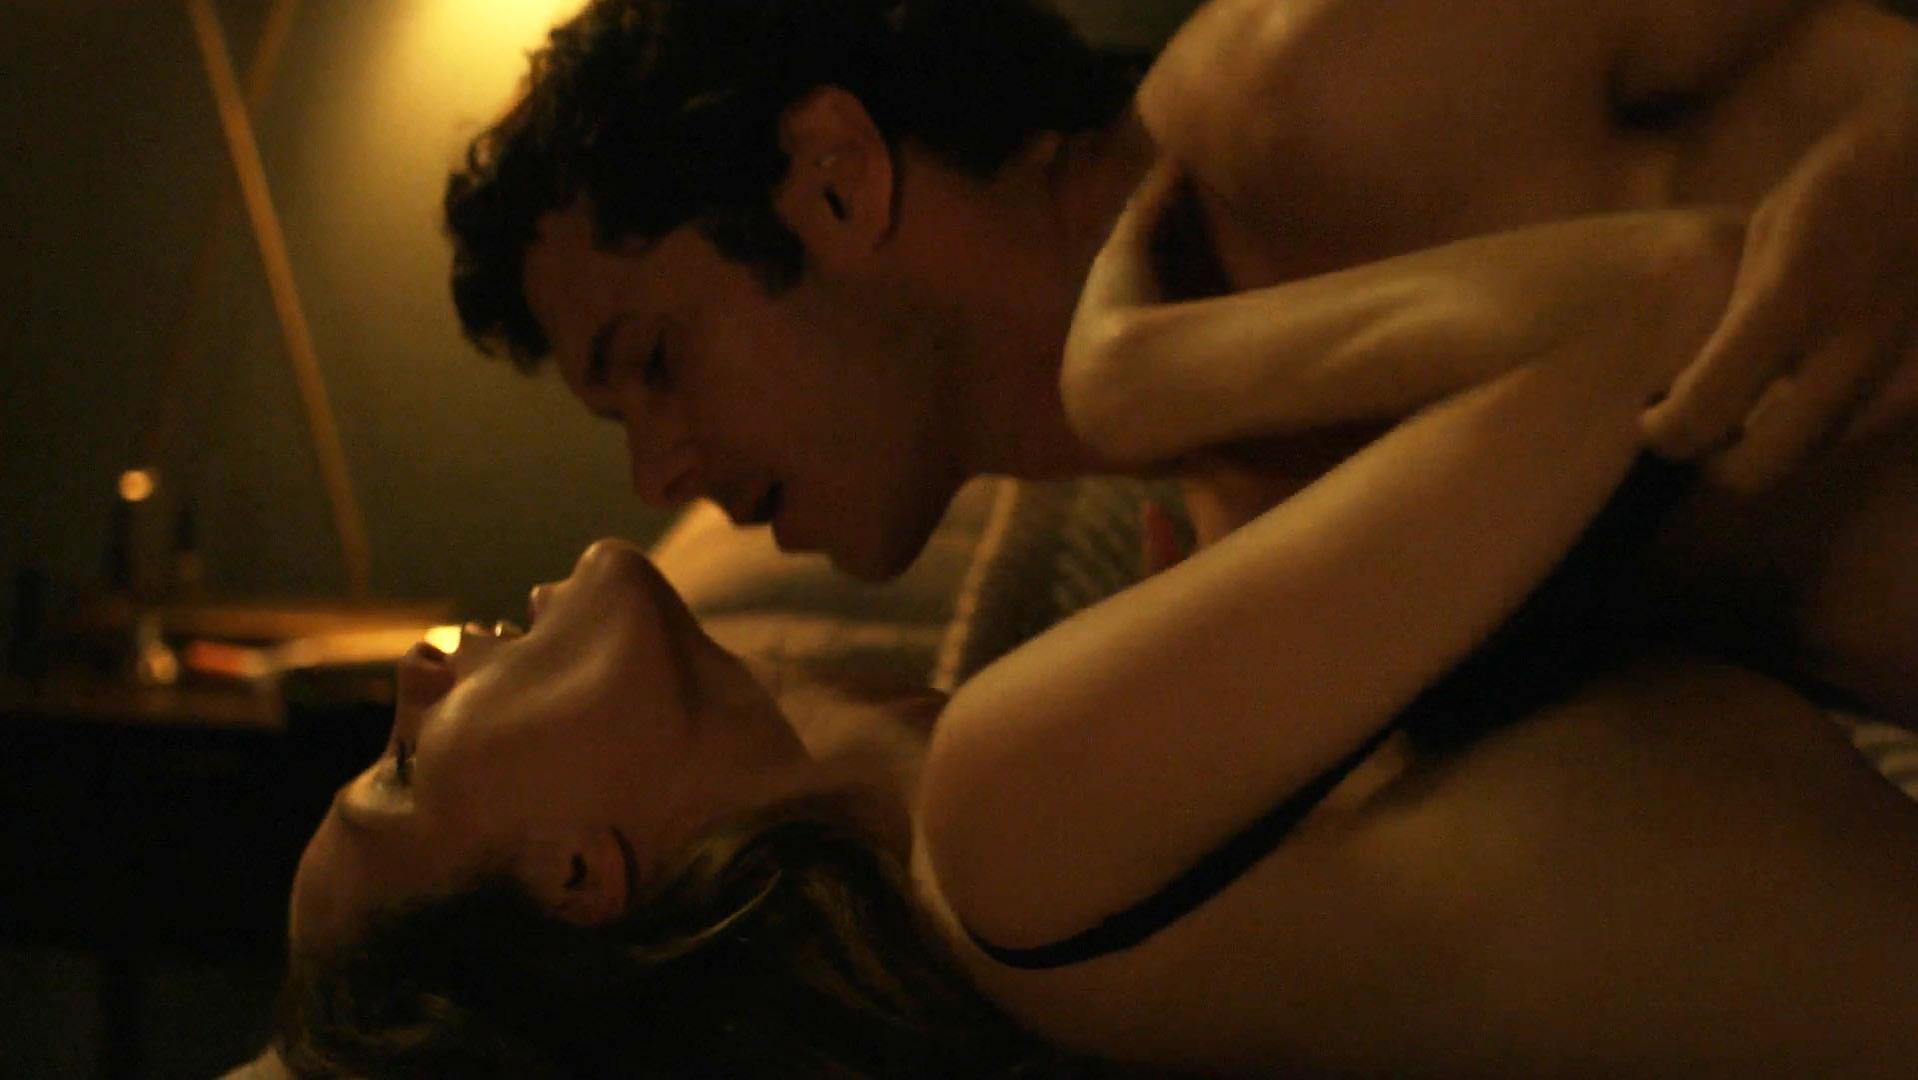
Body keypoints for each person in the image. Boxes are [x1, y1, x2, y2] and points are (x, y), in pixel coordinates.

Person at [277, 205, 1918, 1077]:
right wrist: (1131, 375)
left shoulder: (1012, 835)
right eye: (403, 769)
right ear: (578, 878)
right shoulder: (1004, 829)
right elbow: (1690, 305)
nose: (417, 671)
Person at [444, 0, 1918, 720]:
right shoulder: (1235, 570)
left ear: (833, 180)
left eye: (654, 361)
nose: (658, 472)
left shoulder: (1305, 88)